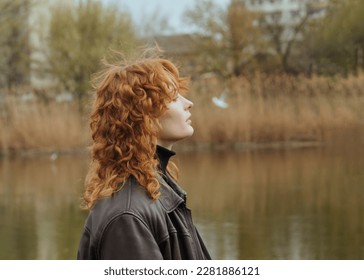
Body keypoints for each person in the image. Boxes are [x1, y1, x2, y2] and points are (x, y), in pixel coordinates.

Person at [77, 52, 211, 260]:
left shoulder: (159, 189)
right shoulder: (127, 215)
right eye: (174, 97)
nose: (188, 103)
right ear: (142, 114)